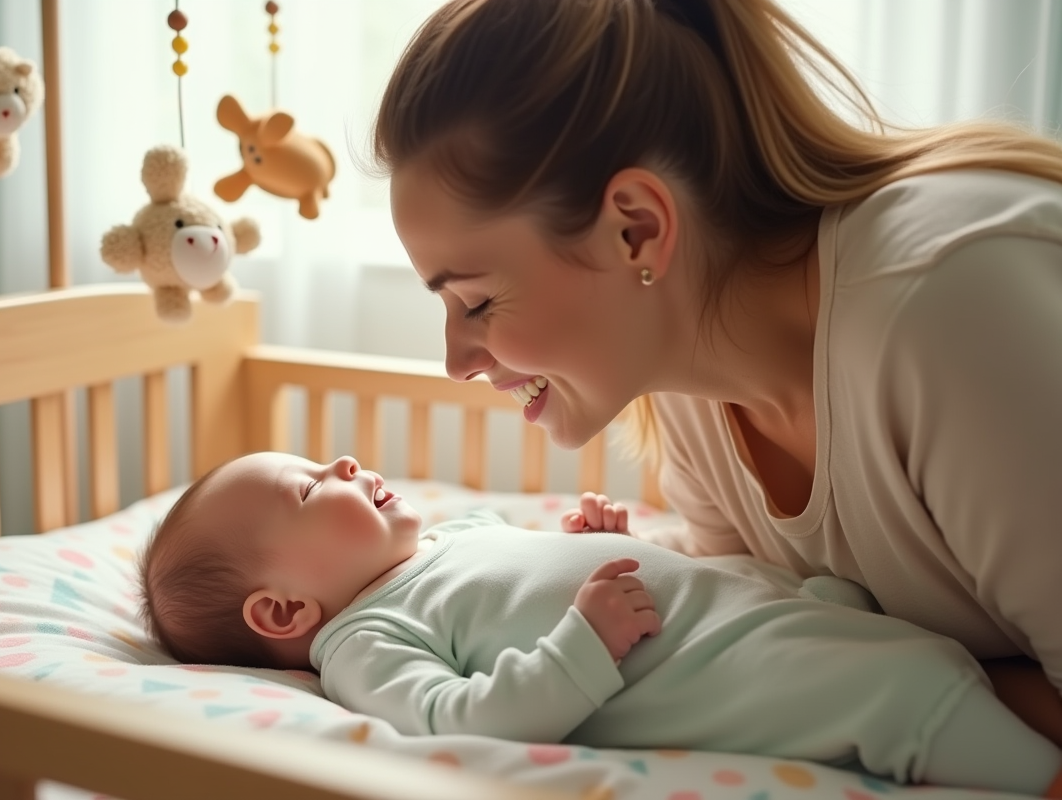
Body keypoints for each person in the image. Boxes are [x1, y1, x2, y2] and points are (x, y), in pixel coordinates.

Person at [370, 0, 1062, 743]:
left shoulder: (949, 307)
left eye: (474, 301)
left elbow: (820, 666)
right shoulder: (688, 387)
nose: (456, 363)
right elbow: (773, 638)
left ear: (637, 228)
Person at [137, 451, 1062, 797]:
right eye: (310, 486)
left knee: (865, 625)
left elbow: (524, 579)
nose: (341, 460)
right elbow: (461, 720)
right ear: (286, 610)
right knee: (901, 689)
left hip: (737, 601)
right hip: (706, 665)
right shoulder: (360, 643)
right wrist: (581, 643)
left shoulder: (453, 536)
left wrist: (588, 542)